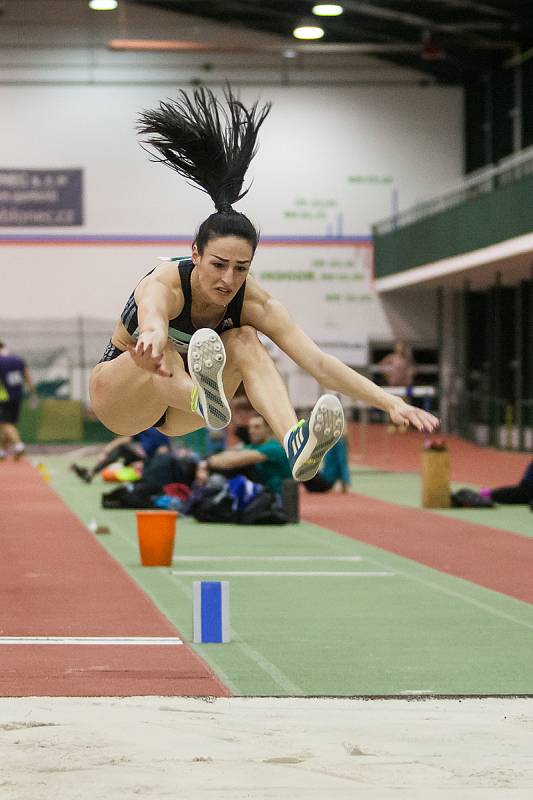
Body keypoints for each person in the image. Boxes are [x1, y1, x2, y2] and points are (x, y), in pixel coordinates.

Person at [89, 88, 438, 487]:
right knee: (164, 345)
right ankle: (200, 396)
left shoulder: (252, 299)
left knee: (246, 339)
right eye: (218, 264)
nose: (228, 279)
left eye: (241, 268)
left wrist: (390, 402)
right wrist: (151, 336)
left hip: (180, 415)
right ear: (195, 254)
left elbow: (319, 362)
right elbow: (152, 318)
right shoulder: (166, 282)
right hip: (122, 395)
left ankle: (294, 439)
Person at [206, 414, 291, 496]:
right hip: (261, 497)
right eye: (250, 427)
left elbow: (232, 461)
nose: (251, 431)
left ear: (268, 428)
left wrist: (208, 462)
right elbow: (227, 454)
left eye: (256, 427)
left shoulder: (274, 448)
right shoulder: (252, 446)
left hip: (278, 500)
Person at [70, 426, 170, 483]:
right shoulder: (143, 429)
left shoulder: (157, 433)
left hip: (152, 465)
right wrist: (105, 452)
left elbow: (163, 455)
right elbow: (122, 440)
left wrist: (145, 464)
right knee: (121, 449)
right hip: (143, 461)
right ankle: (91, 473)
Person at [0, 340, 36, 460]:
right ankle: (3, 452)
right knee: (10, 424)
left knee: (5, 424)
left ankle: (19, 446)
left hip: (4, 398)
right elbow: (27, 376)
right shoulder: (17, 360)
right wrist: (32, 394)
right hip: (17, 397)